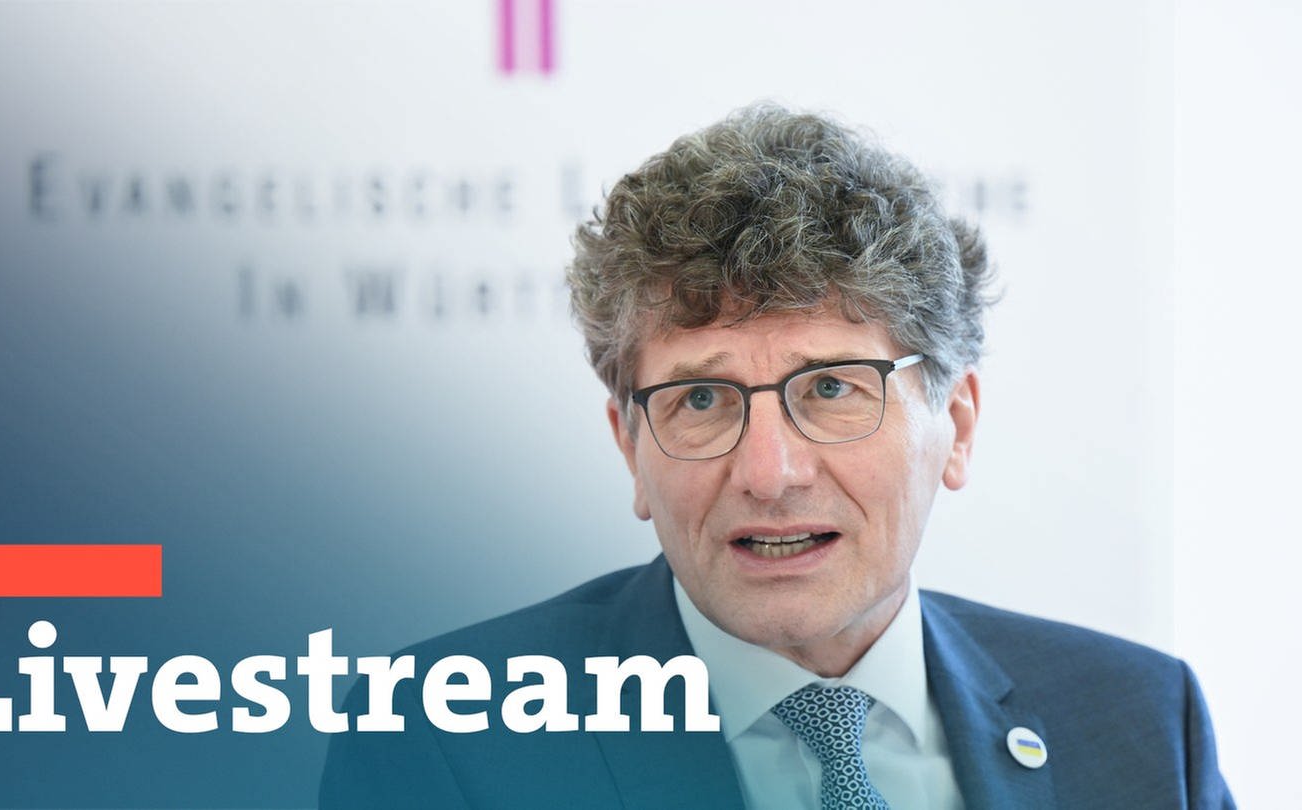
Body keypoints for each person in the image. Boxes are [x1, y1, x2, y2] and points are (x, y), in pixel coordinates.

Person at [319, 105, 1233, 809]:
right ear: (630, 448)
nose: (770, 472)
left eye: (832, 388)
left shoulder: (1141, 723)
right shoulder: (445, 733)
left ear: (954, 423)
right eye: (703, 399)